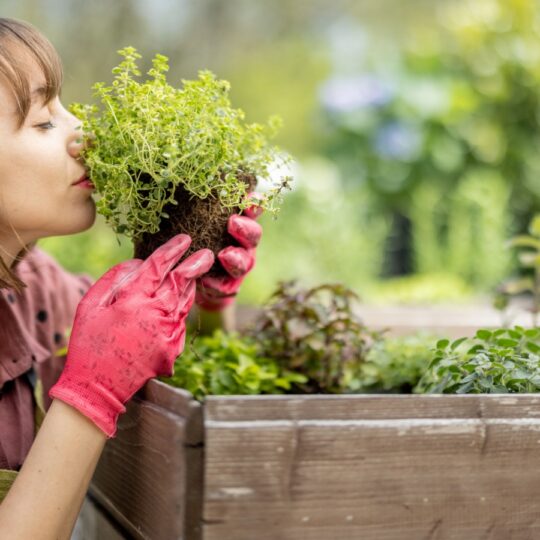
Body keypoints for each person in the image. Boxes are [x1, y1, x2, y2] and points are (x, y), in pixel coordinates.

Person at [0, 17, 262, 539]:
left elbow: (167, 366)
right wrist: (89, 395)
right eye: (42, 122)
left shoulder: (39, 292)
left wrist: (202, 303)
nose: (83, 134)